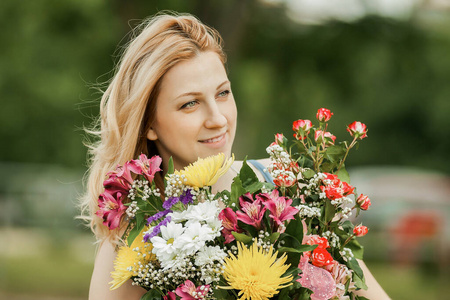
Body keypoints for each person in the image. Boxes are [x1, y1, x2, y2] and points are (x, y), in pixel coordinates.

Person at [81, 12, 390, 300]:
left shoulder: (288, 186)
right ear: (149, 124)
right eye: (190, 103)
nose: (218, 118)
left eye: (223, 93)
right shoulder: (133, 246)